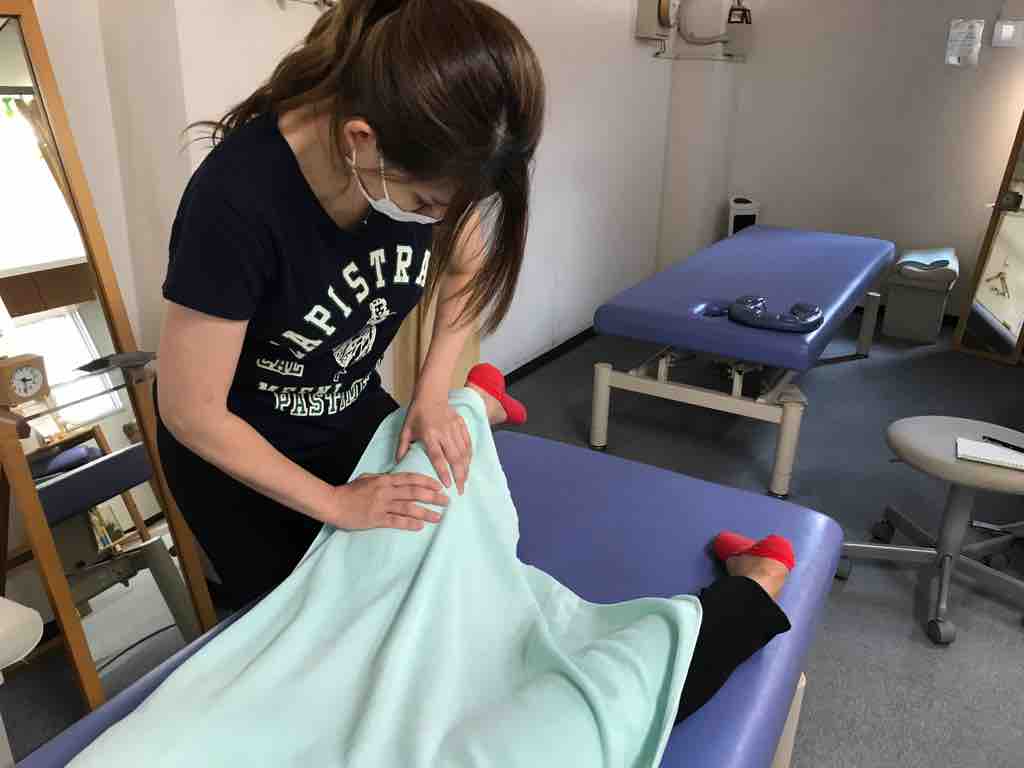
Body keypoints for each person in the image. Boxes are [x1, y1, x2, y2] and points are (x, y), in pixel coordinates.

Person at [154, 0, 792, 726]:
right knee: (330, 667)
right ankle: (485, 405)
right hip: (243, 459)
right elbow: (190, 412)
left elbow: (466, 272)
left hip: (349, 417)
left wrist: (432, 395)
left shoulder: (425, 153)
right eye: (429, 203)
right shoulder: (239, 201)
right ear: (361, 141)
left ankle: (478, 403)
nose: (437, 218)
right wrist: (336, 504)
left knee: (450, 606)